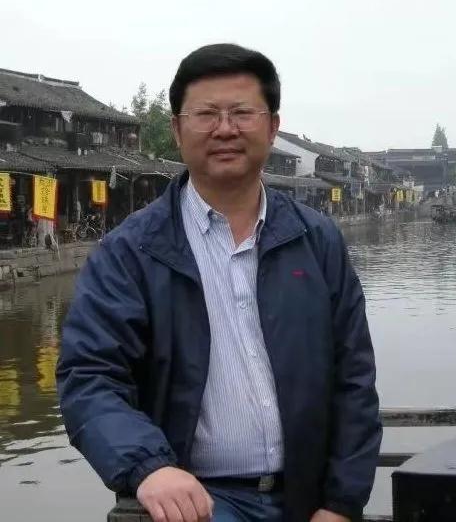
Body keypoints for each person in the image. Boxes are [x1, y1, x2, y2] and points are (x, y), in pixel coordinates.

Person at [57, 44, 382, 522]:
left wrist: (341, 502)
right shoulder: (130, 252)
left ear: (272, 126)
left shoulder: (316, 240)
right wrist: (149, 467)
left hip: (309, 496)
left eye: (242, 113)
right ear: (177, 129)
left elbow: (354, 377)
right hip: (199, 502)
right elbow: (90, 377)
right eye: (206, 114)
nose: (225, 129)